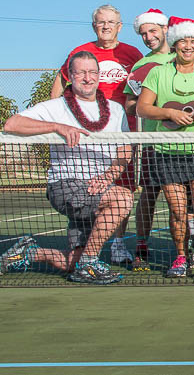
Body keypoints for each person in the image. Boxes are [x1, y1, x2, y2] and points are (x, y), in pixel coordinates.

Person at [2, 51, 133, 284]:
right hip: (66, 186)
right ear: (70, 76)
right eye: (81, 72)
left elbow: (125, 151)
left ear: (99, 76)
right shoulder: (55, 107)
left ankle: (30, 253)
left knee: (72, 261)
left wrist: (109, 175)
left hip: (99, 188)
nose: (87, 78)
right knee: (123, 199)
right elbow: (12, 124)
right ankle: (90, 263)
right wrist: (57, 127)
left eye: (92, 72)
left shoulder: (115, 110)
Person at [136, 17, 194, 282]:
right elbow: (143, 108)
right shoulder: (158, 72)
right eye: (183, 41)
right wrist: (168, 113)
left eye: (193, 42)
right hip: (167, 150)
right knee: (177, 210)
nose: (188, 46)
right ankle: (180, 257)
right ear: (175, 44)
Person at [50, 4, 143, 263]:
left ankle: (117, 244)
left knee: (123, 189)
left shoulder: (131, 53)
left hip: (122, 132)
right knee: (85, 187)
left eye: (111, 22)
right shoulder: (81, 54)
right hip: (87, 133)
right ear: (94, 26)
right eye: (101, 22)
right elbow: (60, 79)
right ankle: (81, 245)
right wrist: (57, 113)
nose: (105, 26)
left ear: (119, 26)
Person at [122, 8, 174, 270]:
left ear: (166, 29)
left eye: (153, 31)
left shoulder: (186, 56)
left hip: (187, 140)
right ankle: (142, 244)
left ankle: (190, 247)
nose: (148, 37)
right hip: (153, 140)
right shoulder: (141, 66)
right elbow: (131, 104)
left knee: (185, 197)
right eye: (143, 33)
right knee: (149, 194)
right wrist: (152, 104)